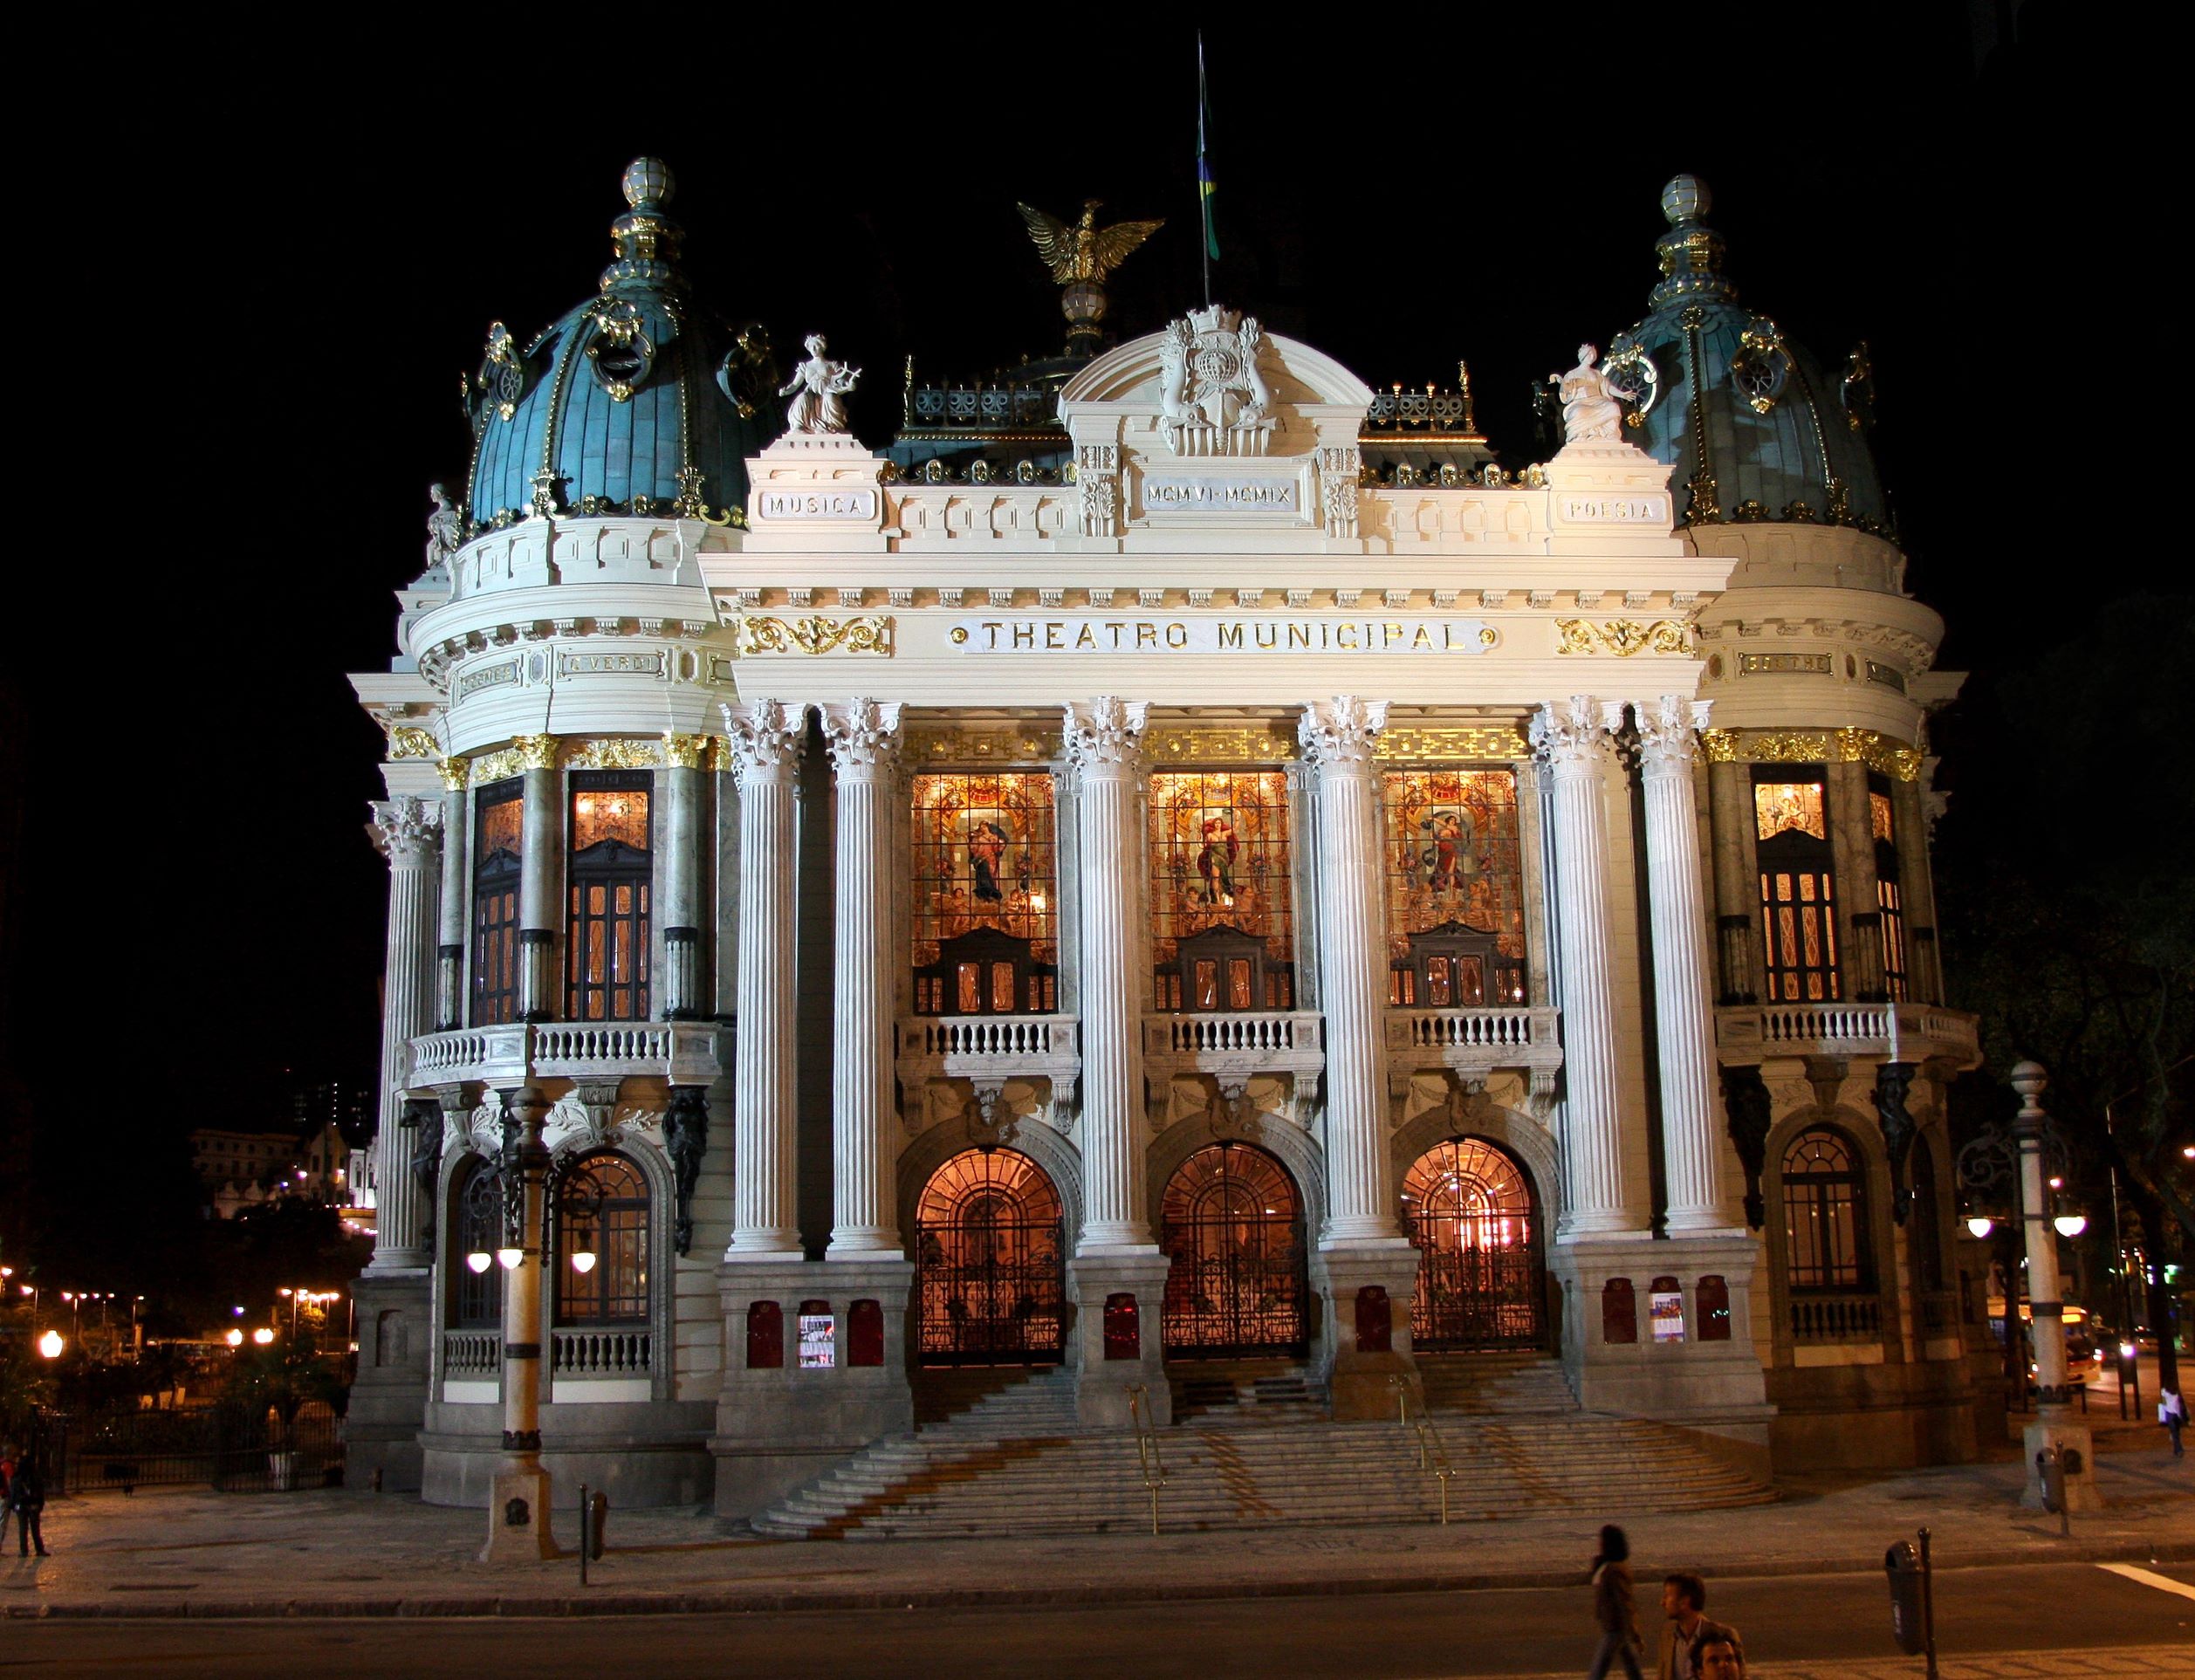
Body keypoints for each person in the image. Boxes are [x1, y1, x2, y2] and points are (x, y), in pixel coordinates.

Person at [1657, 1573, 1744, 1680]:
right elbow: (1662, 1674)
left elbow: (1741, 1675)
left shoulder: (1723, 1635)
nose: (1662, 1602)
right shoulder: (1668, 1633)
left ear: (1684, 1602)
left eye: (1667, 1596)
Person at [1587, 1524, 1645, 1680]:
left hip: (1616, 1626)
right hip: (1612, 1623)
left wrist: (1636, 1635)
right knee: (1631, 1663)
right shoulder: (1606, 1564)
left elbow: (1625, 1603)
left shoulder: (1615, 1570)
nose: (1599, 1542)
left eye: (1602, 1539)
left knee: (1599, 1667)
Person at [10, 1457, 46, 1557]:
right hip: (33, 1505)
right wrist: (39, 1505)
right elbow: (40, 1493)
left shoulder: (16, 1478)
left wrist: (13, 1505)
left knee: (23, 1528)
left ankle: (24, 1551)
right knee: (35, 1528)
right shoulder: (35, 1477)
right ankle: (39, 1549)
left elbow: (13, 1494)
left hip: (21, 1506)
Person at [2162, 1383, 2186, 1457]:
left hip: (2170, 1415)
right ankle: (2177, 1450)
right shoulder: (2177, 1395)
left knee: (2174, 1433)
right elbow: (2179, 1406)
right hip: (2177, 1416)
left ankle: (2179, 1449)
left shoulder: (2166, 1393)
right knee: (2176, 1433)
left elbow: (2163, 1401)